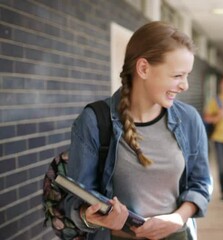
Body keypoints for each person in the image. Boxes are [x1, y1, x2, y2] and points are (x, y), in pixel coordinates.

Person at [63, 21, 212, 240]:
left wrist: (178, 218)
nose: (185, 85)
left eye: (187, 75)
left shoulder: (189, 120)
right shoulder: (94, 121)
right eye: (177, 75)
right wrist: (93, 216)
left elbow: (201, 184)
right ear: (143, 68)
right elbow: (76, 201)